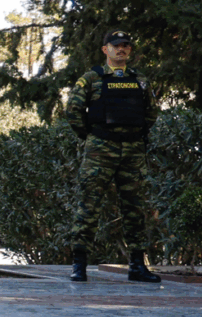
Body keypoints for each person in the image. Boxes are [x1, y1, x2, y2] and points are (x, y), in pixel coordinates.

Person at [66, 30, 161, 284]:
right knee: (89, 205)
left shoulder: (140, 80)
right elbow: (73, 110)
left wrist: (135, 133)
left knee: (135, 208)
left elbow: (151, 112)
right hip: (100, 150)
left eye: (126, 45)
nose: (121, 49)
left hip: (132, 151)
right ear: (105, 49)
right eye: (116, 45)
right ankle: (79, 265)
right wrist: (92, 136)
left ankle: (137, 266)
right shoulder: (91, 78)